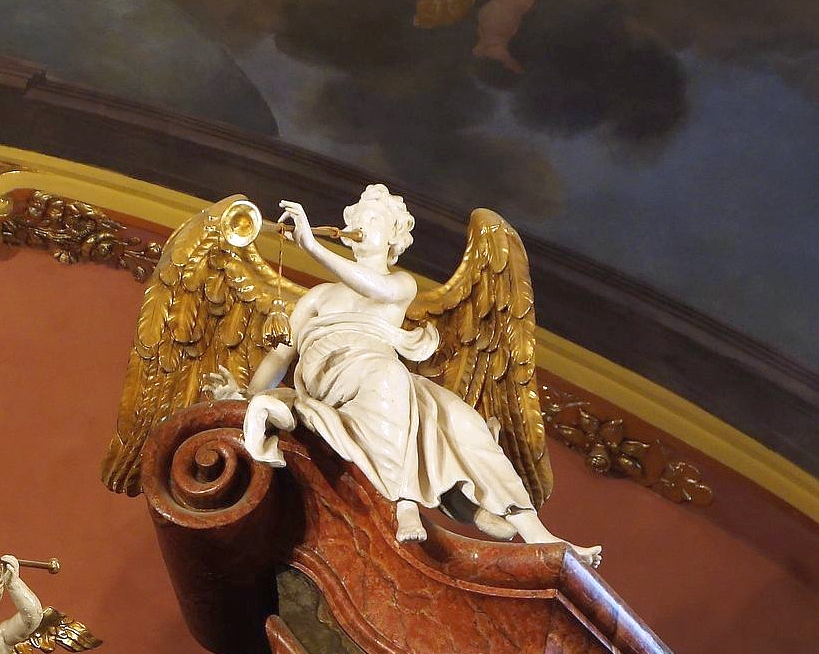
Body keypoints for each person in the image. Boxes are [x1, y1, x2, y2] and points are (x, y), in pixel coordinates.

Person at [235, 185, 599, 564]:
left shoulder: (400, 283)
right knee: (389, 376)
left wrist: (313, 247)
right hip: (333, 377)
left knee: (461, 421)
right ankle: (404, 499)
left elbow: (375, 288)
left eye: (375, 220)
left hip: (380, 376)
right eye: (359, 218)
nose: (362, 225)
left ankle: (536, 533)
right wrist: (248, 394)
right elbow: (281, 355)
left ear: (393, 239)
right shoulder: (319, 297)